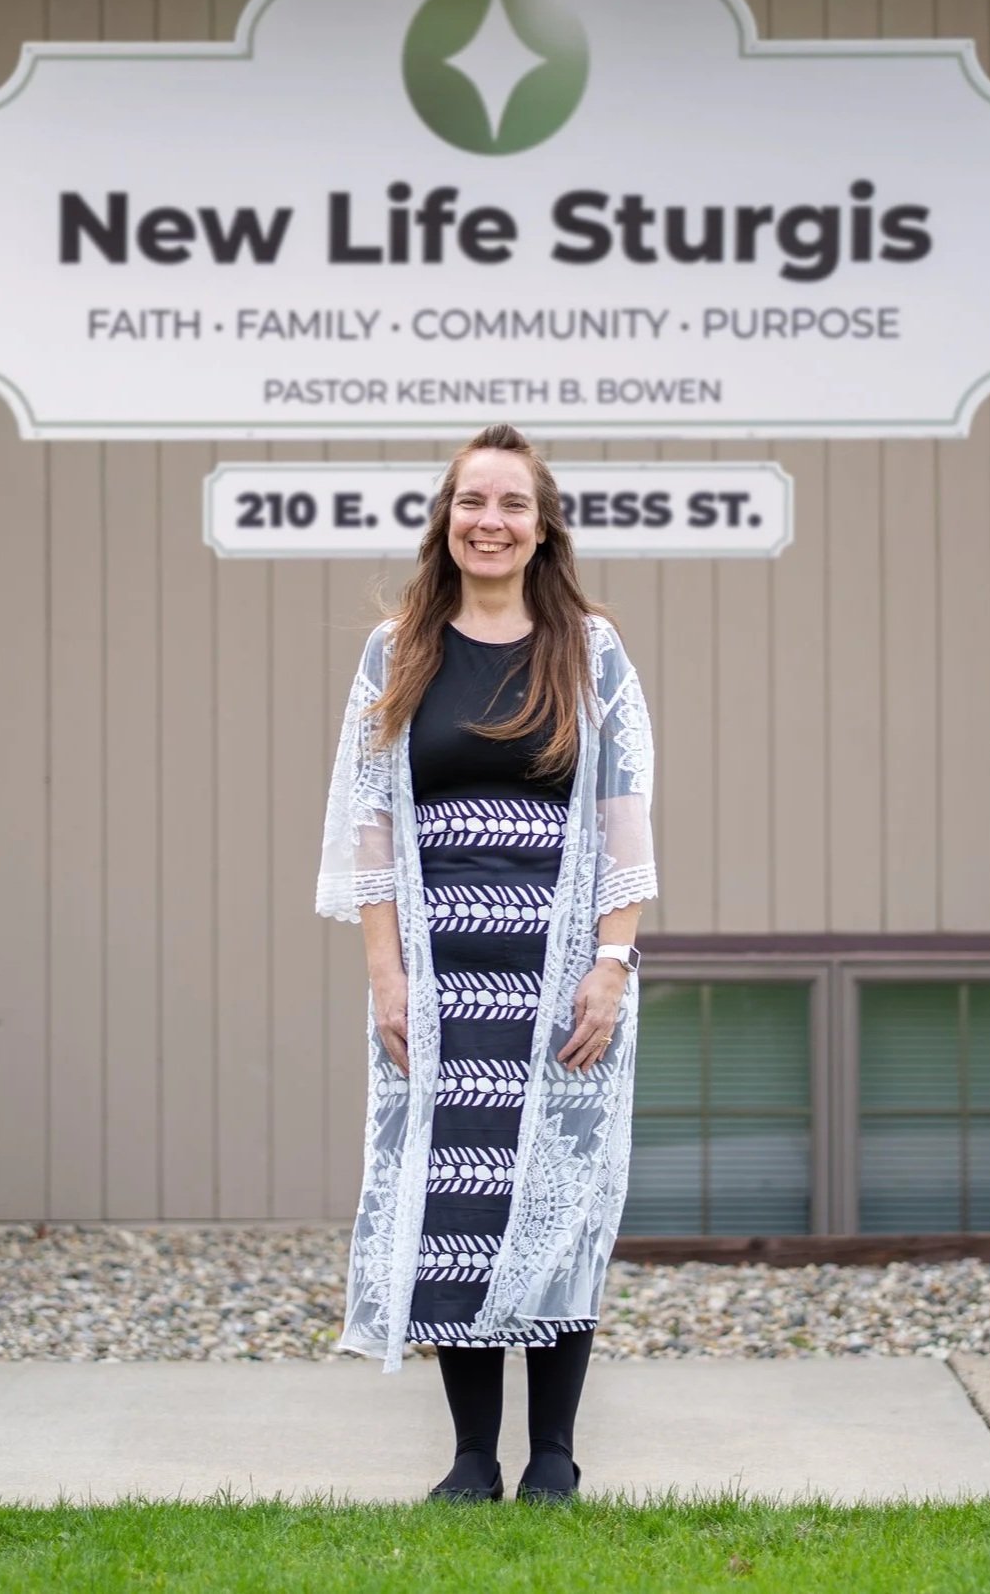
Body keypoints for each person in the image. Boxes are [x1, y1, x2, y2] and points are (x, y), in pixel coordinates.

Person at [315, 422, 657, 1503]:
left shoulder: (592, 649)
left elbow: (625, 827)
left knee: (558, 1203)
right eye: (473, 502)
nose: (491, 522)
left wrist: (612, 964)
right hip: (441, 978)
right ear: (446, 518)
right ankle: (471, 1456)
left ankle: (552, 1454)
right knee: (454, 1205)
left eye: (513, 503)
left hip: (562, 978)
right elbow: (369, 828)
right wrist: (387, 976)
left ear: (542, 524)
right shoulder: (396, 650)